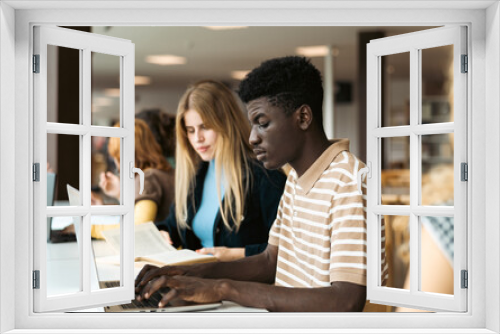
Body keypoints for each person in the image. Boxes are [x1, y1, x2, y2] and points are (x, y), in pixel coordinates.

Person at [135, 57, 383, 312]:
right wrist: (186, 273)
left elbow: (346, 300)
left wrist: (223, 288)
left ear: (303, 117)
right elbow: (269, 260)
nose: (252, 138)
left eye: (263, 124)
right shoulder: (297, 179)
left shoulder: (349, 180)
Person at [154, 80, 286, 262]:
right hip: (199, 283)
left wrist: (237, 254)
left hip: (242, 284)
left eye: (205, 127)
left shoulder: (265, 176)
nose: (197, 139)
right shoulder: (195, 177)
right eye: (190, 131)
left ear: (226, 123)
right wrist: (162, 233)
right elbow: (174, 227)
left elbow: (287, 248)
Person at [89, 118, 176, 239]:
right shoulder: (166, 172)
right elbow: (139, 214)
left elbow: (137, 229)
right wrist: (120, 194)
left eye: (115, 156)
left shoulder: (148, 178)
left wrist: (88, 229)